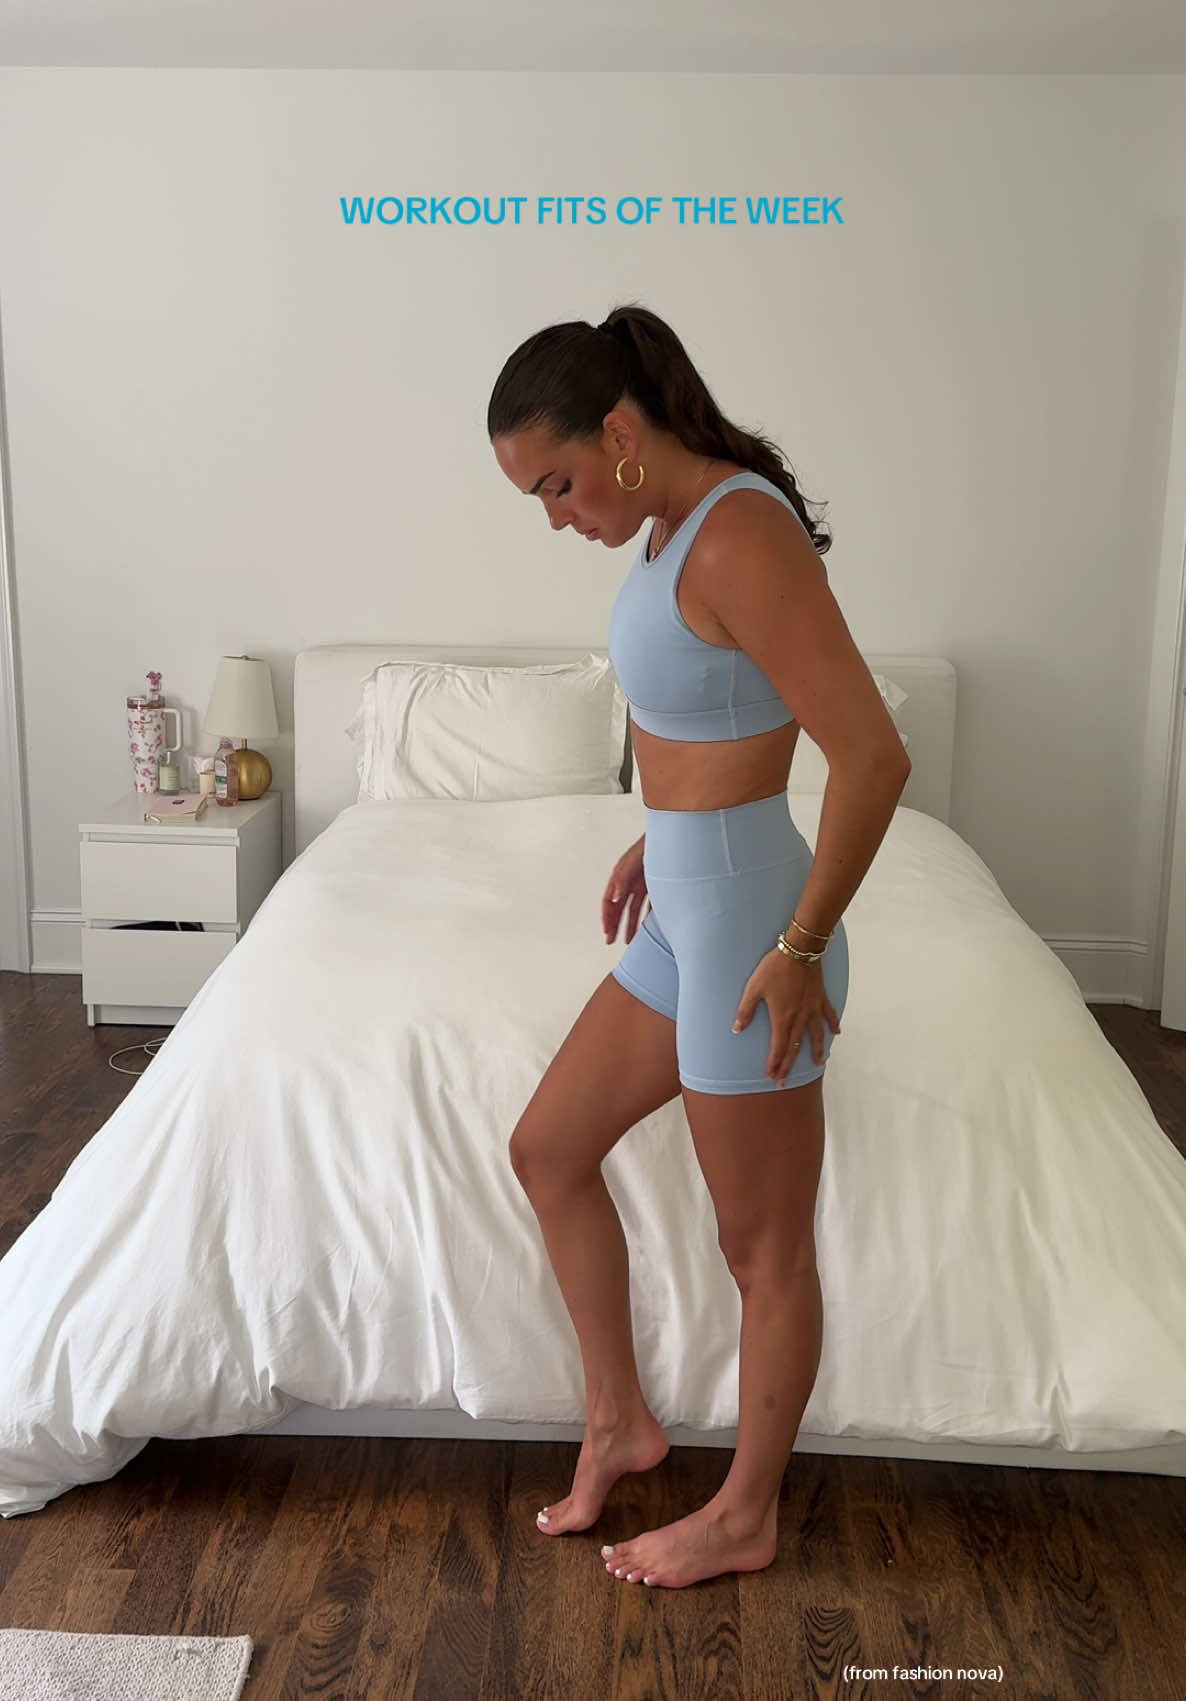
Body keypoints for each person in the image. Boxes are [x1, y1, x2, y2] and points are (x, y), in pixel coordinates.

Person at [488, 302, 911, 1590]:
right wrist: (657, 831)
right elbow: (718, 712)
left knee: (763, 1253)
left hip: (752, 935)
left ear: (619, 435)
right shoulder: (672, 528)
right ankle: (618, 1419)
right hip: (686, 905)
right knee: (547, 1149)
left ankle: (743, 1515)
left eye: (557, 485)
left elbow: (874, 758)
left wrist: (802, 944)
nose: (556, 517)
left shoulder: (736, 534)